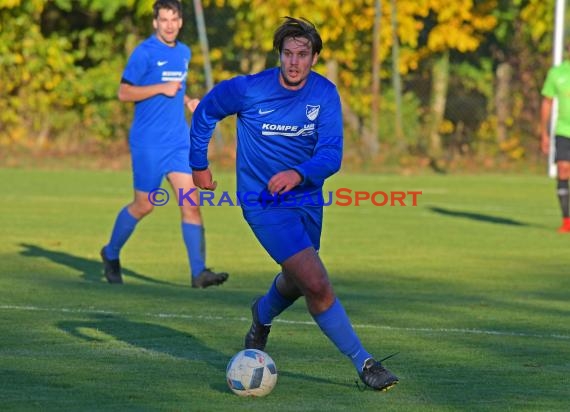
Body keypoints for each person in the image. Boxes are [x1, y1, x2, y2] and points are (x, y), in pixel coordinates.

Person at [189, 16, 399, 391]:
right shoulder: (250, 89)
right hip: (262, 202)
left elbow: (332, 153)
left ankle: (262, 314)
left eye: (302, 54)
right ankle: (364, 362)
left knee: (298, 279)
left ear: (314, 57)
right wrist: (199, 165)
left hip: (306, 197)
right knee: (316, 282)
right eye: (287, 54)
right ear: (279, 55)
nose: (294, 62)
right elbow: (206, 111)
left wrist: (298, 173)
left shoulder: (324, 94)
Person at [100, 0, 228, 288]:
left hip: (178, 142)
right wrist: (160, 88)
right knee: (144, 205)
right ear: (155, 23)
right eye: (163, 20)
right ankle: (110, 253)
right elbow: (123, 92)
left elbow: (176, 89)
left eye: (174, 19)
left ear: (181, 22)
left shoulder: (183, 52)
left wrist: (188, 100)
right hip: (148, 143)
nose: (169, 25)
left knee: (191, 204)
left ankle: (199, 273)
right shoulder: (144, 53)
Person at [541, 54, 570, 233]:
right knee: (563, 168)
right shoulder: (557, 73)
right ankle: (567, 220)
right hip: (563, 131)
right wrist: (544, 133)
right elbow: (547, 102)